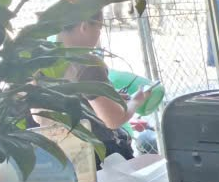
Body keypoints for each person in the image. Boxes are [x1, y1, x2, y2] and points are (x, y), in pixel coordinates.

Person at [55, 15, 152, 161]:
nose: (99, 34)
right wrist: (136, 101)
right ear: (84, 26)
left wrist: (109, 97)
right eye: (99, 28)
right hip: (100, 152)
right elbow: (113, 120)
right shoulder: (88, 64)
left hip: (65, 150)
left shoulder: (46, 60)